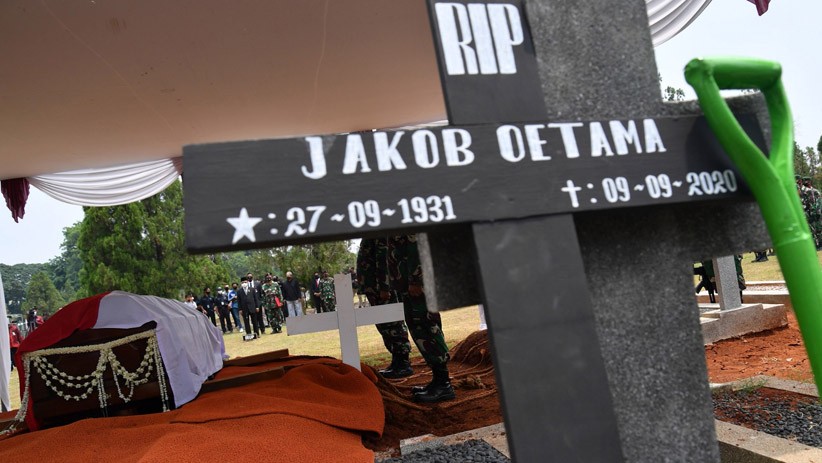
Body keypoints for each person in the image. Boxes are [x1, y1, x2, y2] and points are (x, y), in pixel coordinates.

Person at [388, 234, 454, 402]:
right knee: (419, 327)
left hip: (418, 283)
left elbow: (417, 243)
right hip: (409, 282)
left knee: (426, 326)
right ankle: (438, 380)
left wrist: (416, 280)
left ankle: (444, 385)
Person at [357, 237, 414, 379]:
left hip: (380, 288)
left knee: (392, 324)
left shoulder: (378, 232)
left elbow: (384, 258)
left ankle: (403, 363)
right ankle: (397, 361)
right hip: (374, 287)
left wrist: (385, 287)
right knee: (384, 325)